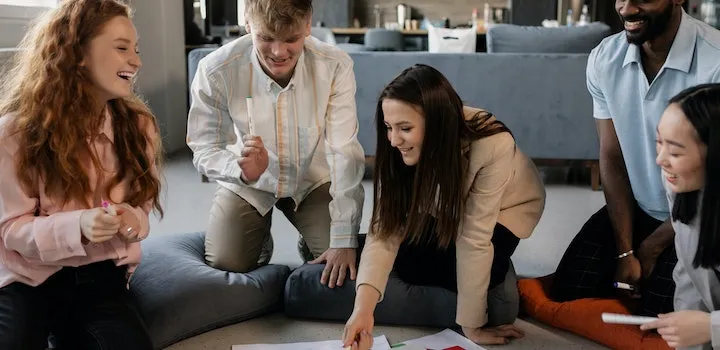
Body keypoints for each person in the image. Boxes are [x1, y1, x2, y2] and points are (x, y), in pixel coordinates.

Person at [550, 0, 720, 317]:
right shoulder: (604, 58)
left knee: (660, 315)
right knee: (567, 293)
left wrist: (651, 248)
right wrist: (625, 250)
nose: (626, 9)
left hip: (701, 215)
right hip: (636, 208)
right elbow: (612, 155)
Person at [341, 64, 546, 349]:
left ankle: (498, 266)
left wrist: (472, 327)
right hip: (446, 206)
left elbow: (474, 237)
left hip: (505, 209)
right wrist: (363, 310)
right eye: (389, 127)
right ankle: (351, 245)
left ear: (436, 123)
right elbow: (386, 227)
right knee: (409, 258)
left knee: (443, 266)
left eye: (405, 128)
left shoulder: (493, 144)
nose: (393, 140)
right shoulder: (399, 148)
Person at [0, 0, 163, 348]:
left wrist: (132, 219)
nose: (136, 61)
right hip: (27, 276)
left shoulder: (139, 127)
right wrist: (79, 225)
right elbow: (11, 229)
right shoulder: (13, 134)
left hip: (99, 275)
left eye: (136, 50)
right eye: (122, 48)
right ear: (77, 53)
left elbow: (143, 205)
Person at [186, 0, 365, 288]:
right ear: (248, 23)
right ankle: (259, 239)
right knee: (227, 261)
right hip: (248, 180)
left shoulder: (335, 65)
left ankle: (309, 241)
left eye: (291, 39)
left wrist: (344, 238)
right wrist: (240, 170)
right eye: (266, 38)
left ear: (308, 24)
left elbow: (345, 152)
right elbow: (204, 147)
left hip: (312, 177)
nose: (279, 52)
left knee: (335, 262)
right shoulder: (215, 69)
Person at [640, 83, 720, 349]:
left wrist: (716, 328)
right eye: (659, 143)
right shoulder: (681, 182)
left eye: (675, 151)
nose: (660, 160)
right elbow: (690, 277)